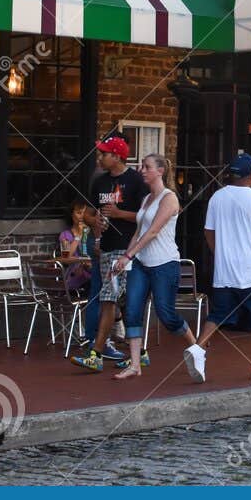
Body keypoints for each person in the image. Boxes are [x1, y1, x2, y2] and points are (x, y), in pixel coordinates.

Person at [186, 152, 251, 382]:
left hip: (225, 270)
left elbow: (209, 232)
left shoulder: (217, 197)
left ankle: (198, 348)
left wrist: (219, 253)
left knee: (219, 313)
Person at [111, 154, 199, 380]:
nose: (142, 170)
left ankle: (196, 348)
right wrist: (126, 257)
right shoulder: (146, 199)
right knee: (131, 310)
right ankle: (135, 364)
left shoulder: (169, 199)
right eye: (142, 166)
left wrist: (128, 255)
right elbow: (139, 232)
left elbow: (153, 232)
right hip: (141, 263)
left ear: (160, 171)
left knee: (166, 314)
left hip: (164, 263)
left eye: (146, 167)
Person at [71, 135, 147, 372]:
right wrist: (97, 226)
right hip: (105, 247)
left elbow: (147, 217)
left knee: (108, 299)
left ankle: (96, 354)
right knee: (120, 300)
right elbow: (89, 214)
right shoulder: (100, 182)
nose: (100, 158)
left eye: (104, 154)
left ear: (117, 156)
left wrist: (118, 214)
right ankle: (140, 353)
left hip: (126, 249)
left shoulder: (136, 181)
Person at [59, 198, 96, 296]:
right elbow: (65, 258)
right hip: (76, 278)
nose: (82, 217)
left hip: (92, 273)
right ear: (72, 214)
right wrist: (78, 235)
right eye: (79, 213)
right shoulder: (65, 235)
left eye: (85, 213)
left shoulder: (93, 233)